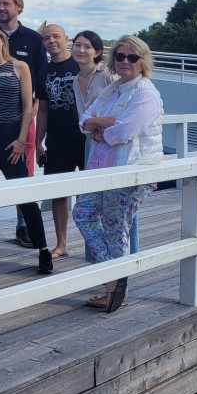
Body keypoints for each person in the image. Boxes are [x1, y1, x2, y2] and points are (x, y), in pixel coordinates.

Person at [75, 35, 163, 312]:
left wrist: (101, 130)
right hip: (101, 169)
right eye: (121, 57)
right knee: (83, 213)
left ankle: (113, 291)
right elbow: (83, 121)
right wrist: (104, 123)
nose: (125, 62)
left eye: (132, 57)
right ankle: (114, 277)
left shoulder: (146, 94)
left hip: (130, 171)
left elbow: (125, 131)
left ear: (142, 62)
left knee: (116, 230)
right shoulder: (112, 90)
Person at [0, 24, 54, 275]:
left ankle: (43, 249)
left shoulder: (20, 67)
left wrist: (21, 140)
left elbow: (29, 108)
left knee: (23, 193)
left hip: (11, 138)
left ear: (2, 41)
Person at [70, 30, 130, 256]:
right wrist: (91, 127)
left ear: (97, 52)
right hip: (91, 143)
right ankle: (96, 261)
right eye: (77, 45)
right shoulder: (77, 79)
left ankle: (126, 262)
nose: (81, 50)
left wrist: (96, 126)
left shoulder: (106, 75)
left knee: (119, 210)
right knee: (90, 204)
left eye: (87, 46)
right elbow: (83, 117)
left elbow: (120, 110)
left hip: (111, 144)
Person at [34, 24, 82, 257]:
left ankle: (91, 240)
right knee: (58, 193)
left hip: (85, 139)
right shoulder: (43, 72)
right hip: (57, 139)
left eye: (56, 36)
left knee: (89, 192)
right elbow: (42, 110)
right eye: (46, 38)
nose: (51, 41)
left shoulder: (81, 65)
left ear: (66, 39)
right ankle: (61, 243)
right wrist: (38, 142)